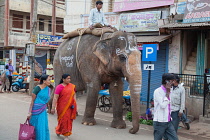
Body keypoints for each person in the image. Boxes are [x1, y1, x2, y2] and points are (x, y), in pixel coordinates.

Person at [51, 74, 77, 140]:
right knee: (63, 120)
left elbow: (74, 95)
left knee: (68, 120)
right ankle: (63, 133)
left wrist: (75, 104)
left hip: (70, 107)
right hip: (61, 107)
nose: (69, 80)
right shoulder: (59, 87)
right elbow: (55, 98)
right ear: (63, 79)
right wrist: (53, 108)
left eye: (69, 78)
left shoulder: (72, 86)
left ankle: (63, 133)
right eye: (67, 78)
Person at [153, 73, 178, 140]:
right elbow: (163, 105)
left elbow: (171, 104)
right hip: (159, 121)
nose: (173, 82)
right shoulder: (158, 91)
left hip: (168, 121)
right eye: (172, 81)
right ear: (166, 81)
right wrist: (167, 93)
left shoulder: (171, 90)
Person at [27, 75, 51, 140]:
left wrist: (49, 108)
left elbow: (47, 101)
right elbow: (32, 101)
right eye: (49, 80)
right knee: (35, 127)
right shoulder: (37, 88)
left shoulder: (48, 89)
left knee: (43, 127)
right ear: (44, 81)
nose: (50, 81)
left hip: (43, 110)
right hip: (35, 110)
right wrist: (29, 112)